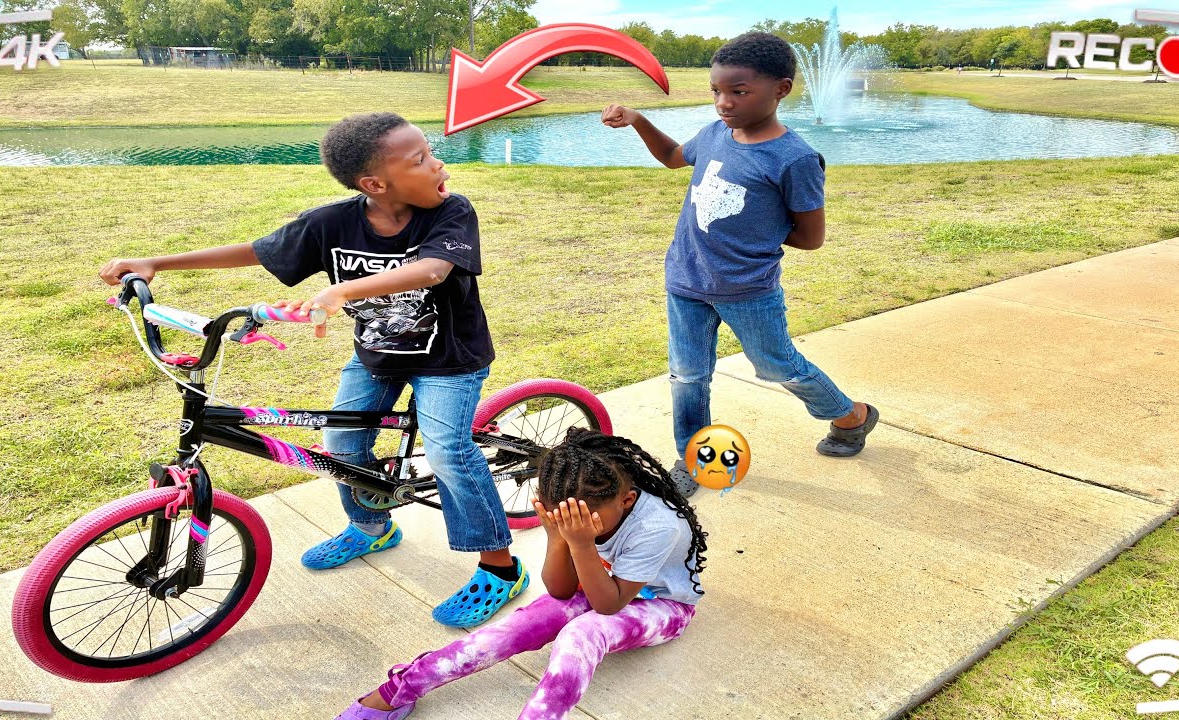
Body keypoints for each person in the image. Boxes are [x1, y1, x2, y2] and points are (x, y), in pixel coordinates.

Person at [98, 112, 527, 628]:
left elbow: (433, 270)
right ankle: (371, 526)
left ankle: (501, 568)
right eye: (421, 159)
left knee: (447, 451)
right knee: (340, 444)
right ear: (374, 184)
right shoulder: (331, 224)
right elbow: (258, 251)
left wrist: (342, 290)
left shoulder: (451, 211)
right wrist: (157, 263)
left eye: (429, 153)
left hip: (449, 361)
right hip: (376, 356)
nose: (438, 165)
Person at [600, 32, 879, 496]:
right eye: (716, 91)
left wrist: (756, 227)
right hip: (687, 280)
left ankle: (852, 415)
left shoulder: (795, 159)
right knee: (687, 377)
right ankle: (692, 457)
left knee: (778, 366)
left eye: (739, 91)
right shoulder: (715, 134)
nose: (723, 102)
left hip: (748, 289)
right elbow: (672, 157)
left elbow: (811, 237)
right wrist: (638, 120)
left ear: (781, 89)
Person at [336, 427, 707, 720]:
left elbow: (607, 606)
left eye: (584, 520)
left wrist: (580, 544)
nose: (573, 524)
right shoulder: (576, 510)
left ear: (626, 500)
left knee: (582, 633)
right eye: (562, 517)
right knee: (523, 623)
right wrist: (559, 539)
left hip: (662, 603)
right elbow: (561, 591)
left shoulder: (657, 526)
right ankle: (404, 687)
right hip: (599, 582)